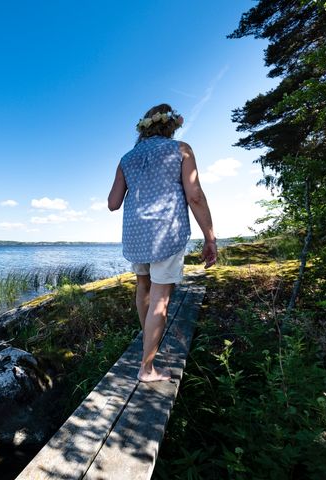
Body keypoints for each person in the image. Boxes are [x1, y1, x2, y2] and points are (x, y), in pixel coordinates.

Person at [107, 103, 216, 382]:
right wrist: (210, 236)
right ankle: (147, 368)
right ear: (171, 125)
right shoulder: (181, 149)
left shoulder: (127, 158)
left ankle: (148, 344)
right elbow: (195, 196)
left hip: (135, 233)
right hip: (166, 231)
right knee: (160, 298)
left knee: (143, 286)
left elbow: (112, 203)